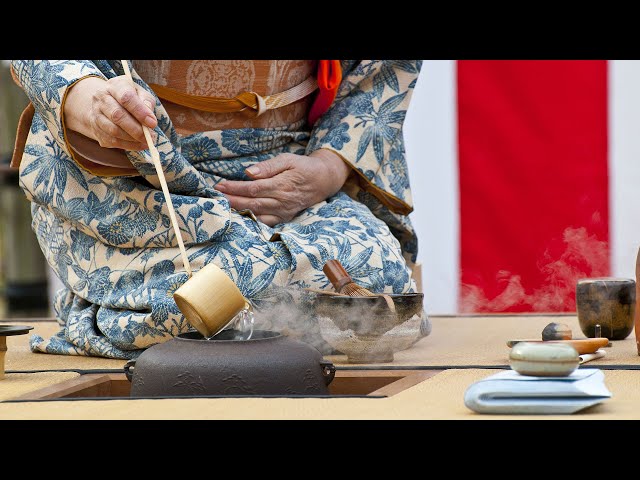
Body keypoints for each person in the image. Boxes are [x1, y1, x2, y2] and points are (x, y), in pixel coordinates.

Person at [10, 60, 422, 358]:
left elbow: (382, 74)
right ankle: (107, 307)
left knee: (378, 272)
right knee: (215, 296)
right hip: (137, 175)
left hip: (277, 171)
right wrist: (90, 100)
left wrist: (329, 166)